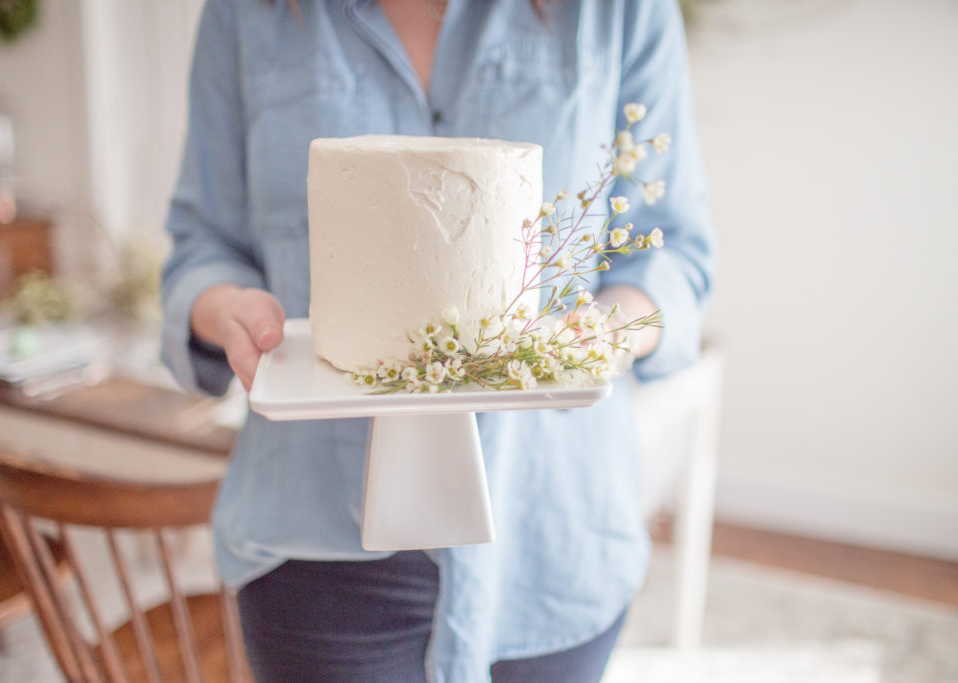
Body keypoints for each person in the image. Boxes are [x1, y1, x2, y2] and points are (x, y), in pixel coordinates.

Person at [161, 0, 714, 681]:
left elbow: (674, 255)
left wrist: (605, 333)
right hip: (317, 550)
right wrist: (228, 311)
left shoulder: (620, 11)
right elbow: (202, 246)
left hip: (549, 535)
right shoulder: (248, 15)